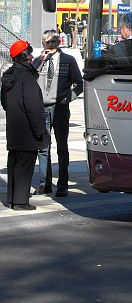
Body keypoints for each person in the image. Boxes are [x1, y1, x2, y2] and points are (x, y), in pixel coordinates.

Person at [32, 29, 83, 197]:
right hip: (42, 108)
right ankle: (44, 184)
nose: (51, 45)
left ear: (59, 42)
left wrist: (68, 98)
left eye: (53, 41)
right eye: (47, 42)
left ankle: (62, 185)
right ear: (43, 44)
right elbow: (29, 78)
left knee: (62, 147)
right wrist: (40, 61)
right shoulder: (37, 61)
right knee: (43, 148)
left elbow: (79, 83)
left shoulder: (68, 60)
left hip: (60, 108)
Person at [1, 40, 50, 211]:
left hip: (14, 127)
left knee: (14, 163)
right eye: (29, 53)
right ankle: (21, 202)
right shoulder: (26, 76)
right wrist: (40, 130)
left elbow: (4, 103)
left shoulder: (9, 75)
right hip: (27, 129)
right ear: (24, 56)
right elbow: (33, 106)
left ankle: (13, 199)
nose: (31, 56)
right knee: (25, 165)